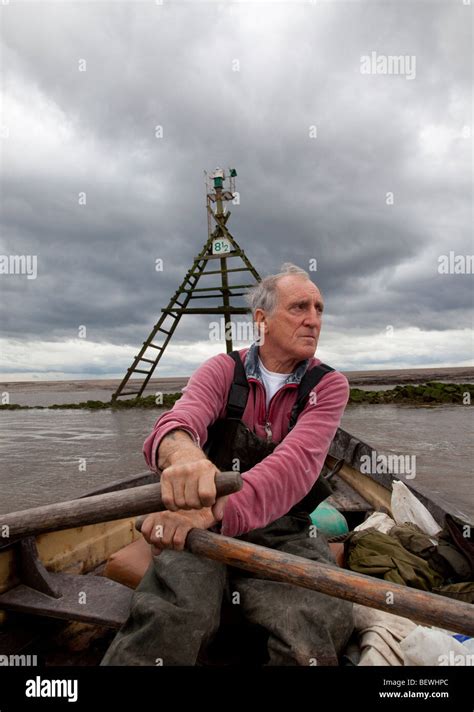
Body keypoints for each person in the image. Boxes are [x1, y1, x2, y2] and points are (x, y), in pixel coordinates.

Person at [101, 263, 354, 666]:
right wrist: (185, 458)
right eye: (300, 307)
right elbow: (176, 423)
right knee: (174, 613)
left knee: (315, 619)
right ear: (262, 320)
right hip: (200, 521)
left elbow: (295, 467)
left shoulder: (327, 385)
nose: (313, 320)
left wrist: (215, 507)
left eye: (320, 309)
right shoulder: (222, 370)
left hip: (282, 526)